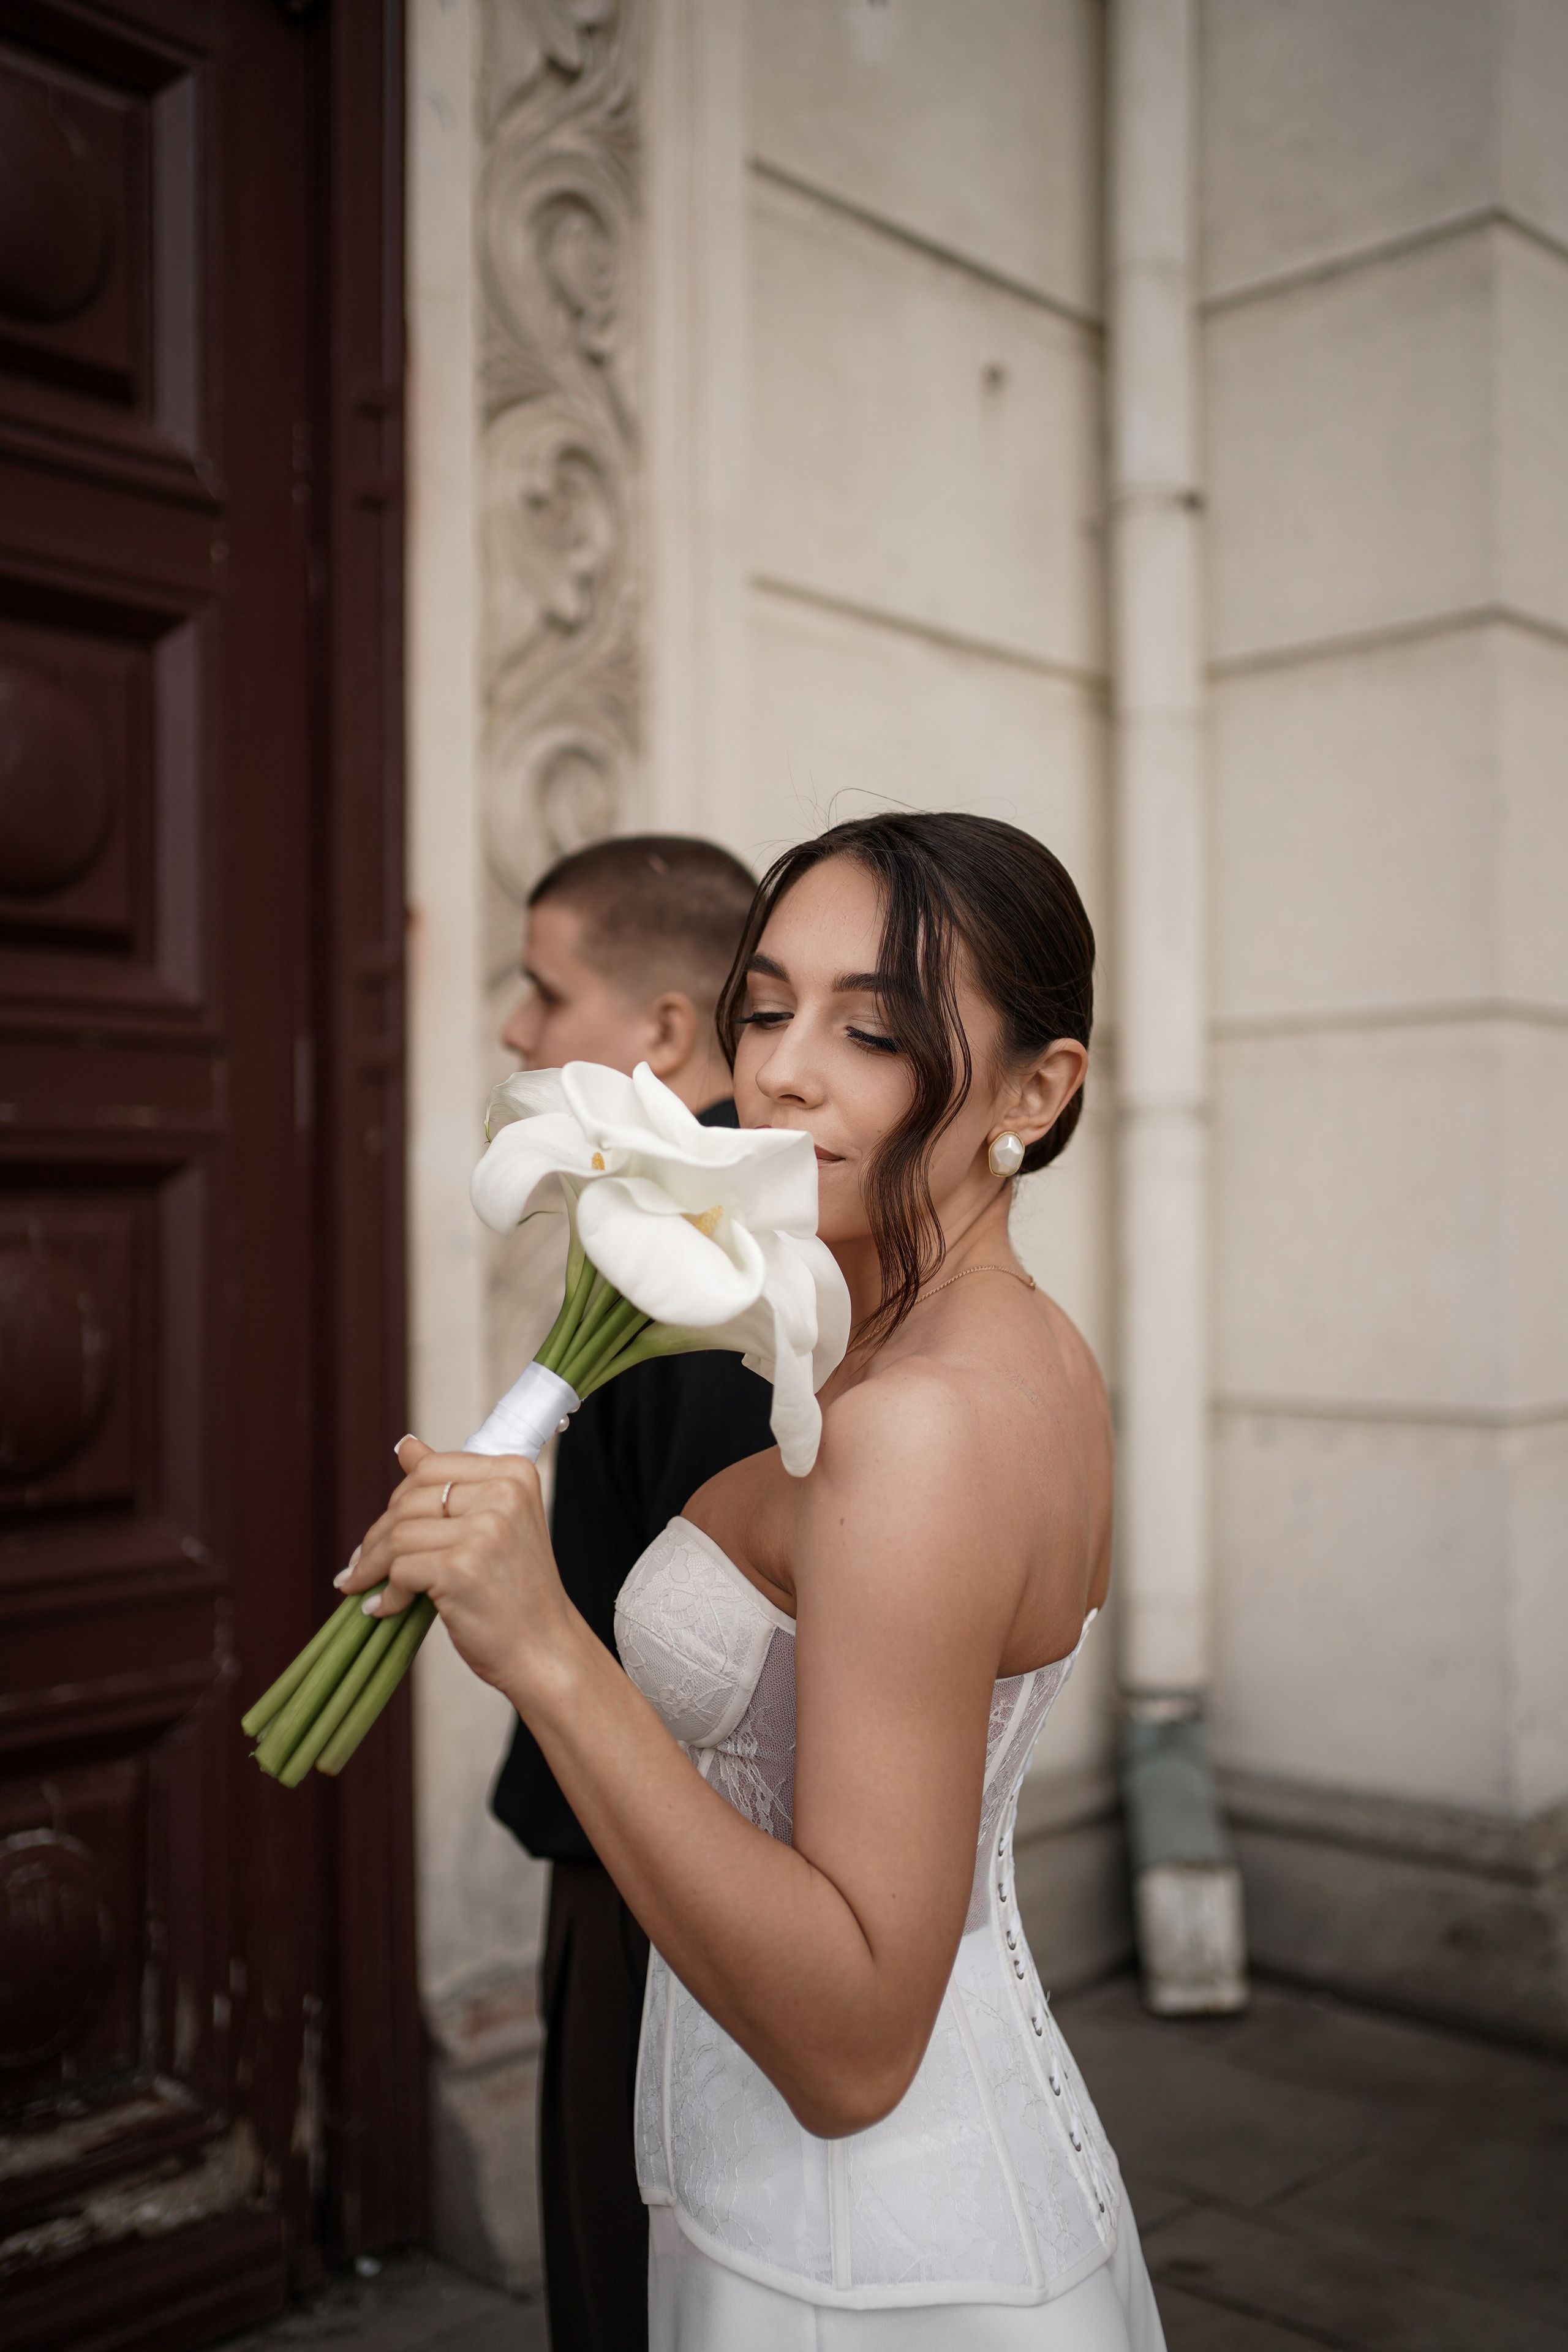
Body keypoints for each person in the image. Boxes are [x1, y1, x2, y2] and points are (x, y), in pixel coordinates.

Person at [353, 812, 1167, 2350]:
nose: (784, 1070)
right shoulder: (1013, 1350)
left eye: (871, 1028)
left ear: (1035, 1090)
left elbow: (854, 2042)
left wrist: (547, 1650)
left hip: (857, 2256)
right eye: (766, 1007)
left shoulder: (914, 1428)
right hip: (881, 2190)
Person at [488, 835, 776, 2352]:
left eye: (542, 990)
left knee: (623, 2268)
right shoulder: (665, 1227)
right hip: (621, 1844)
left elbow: (728, 1641)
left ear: (664, 1032)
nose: (515, 1032)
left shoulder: (713, 1267)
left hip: (651, 1878)